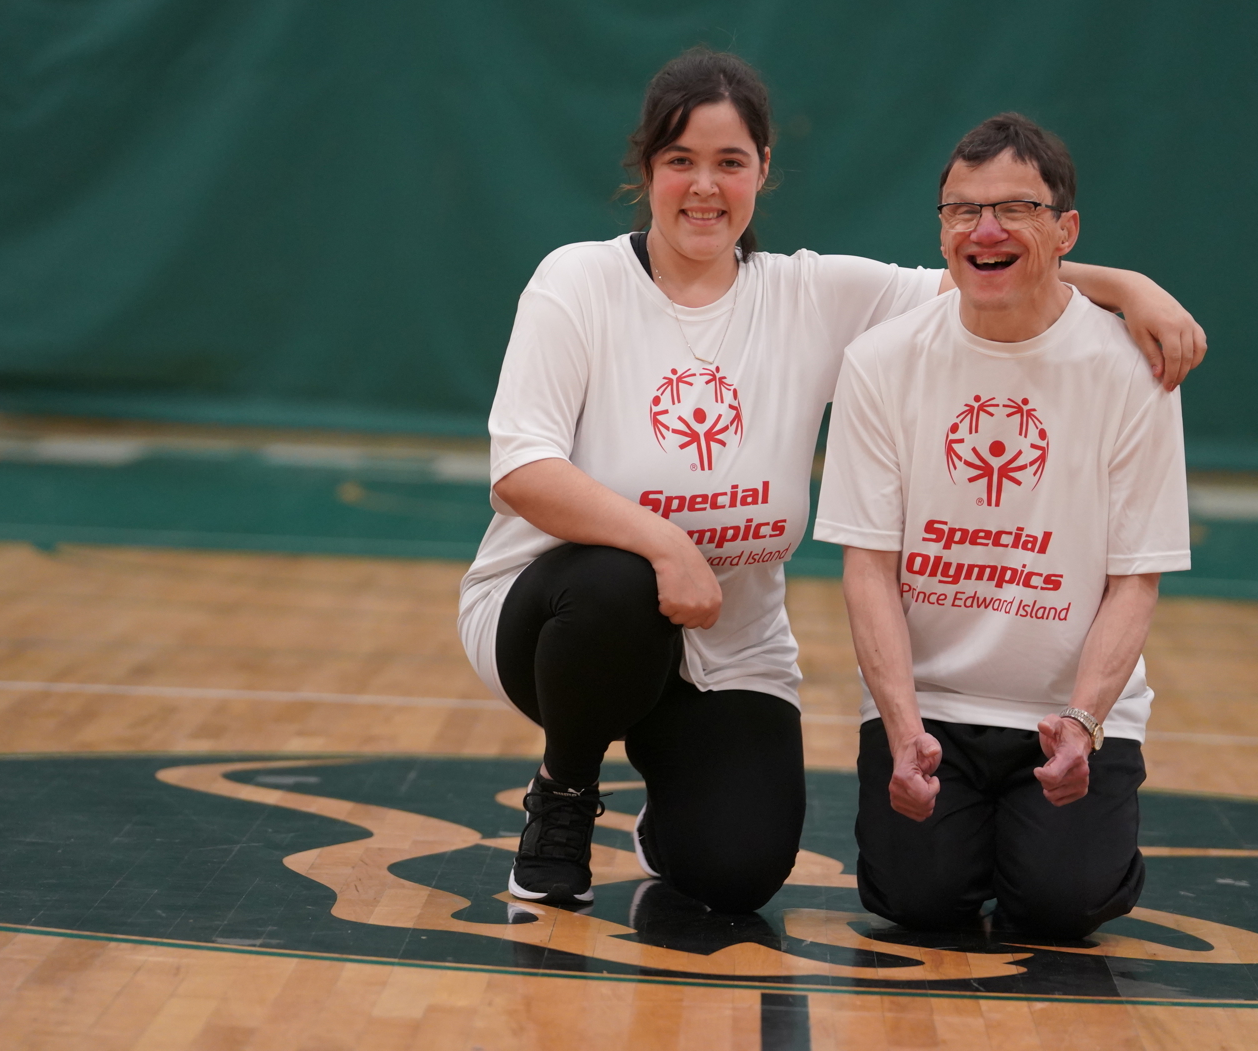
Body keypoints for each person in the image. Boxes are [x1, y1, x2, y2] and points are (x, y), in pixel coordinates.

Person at [458, 50, 1204, 912]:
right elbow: (521, 469)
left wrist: (1131, 287)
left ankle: (670, 817)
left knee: (735, 872)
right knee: (620, 580)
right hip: (555, 620)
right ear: (648, 170)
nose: (706, 188)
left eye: (730, 163)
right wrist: (666, 543)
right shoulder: (577, 281)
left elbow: (986, 271)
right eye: (681, 162)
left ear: (763, 170)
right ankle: (565, 793)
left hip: (728, 646)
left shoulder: (812, 296)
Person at [814, 112, 1191, 935]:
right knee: (913, 902)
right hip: (933, 708)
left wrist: (1084, 724)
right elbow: (869, 568)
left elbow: (1136, 578)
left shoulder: (1134, 372)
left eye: (1014, 209)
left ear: (1065, 231)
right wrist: (904, 727)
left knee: (1063, 905)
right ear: (943, 229)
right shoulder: (880, 363)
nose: (984, 230)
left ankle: (1058, 839)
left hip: (1070, 711)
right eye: (961, 210)